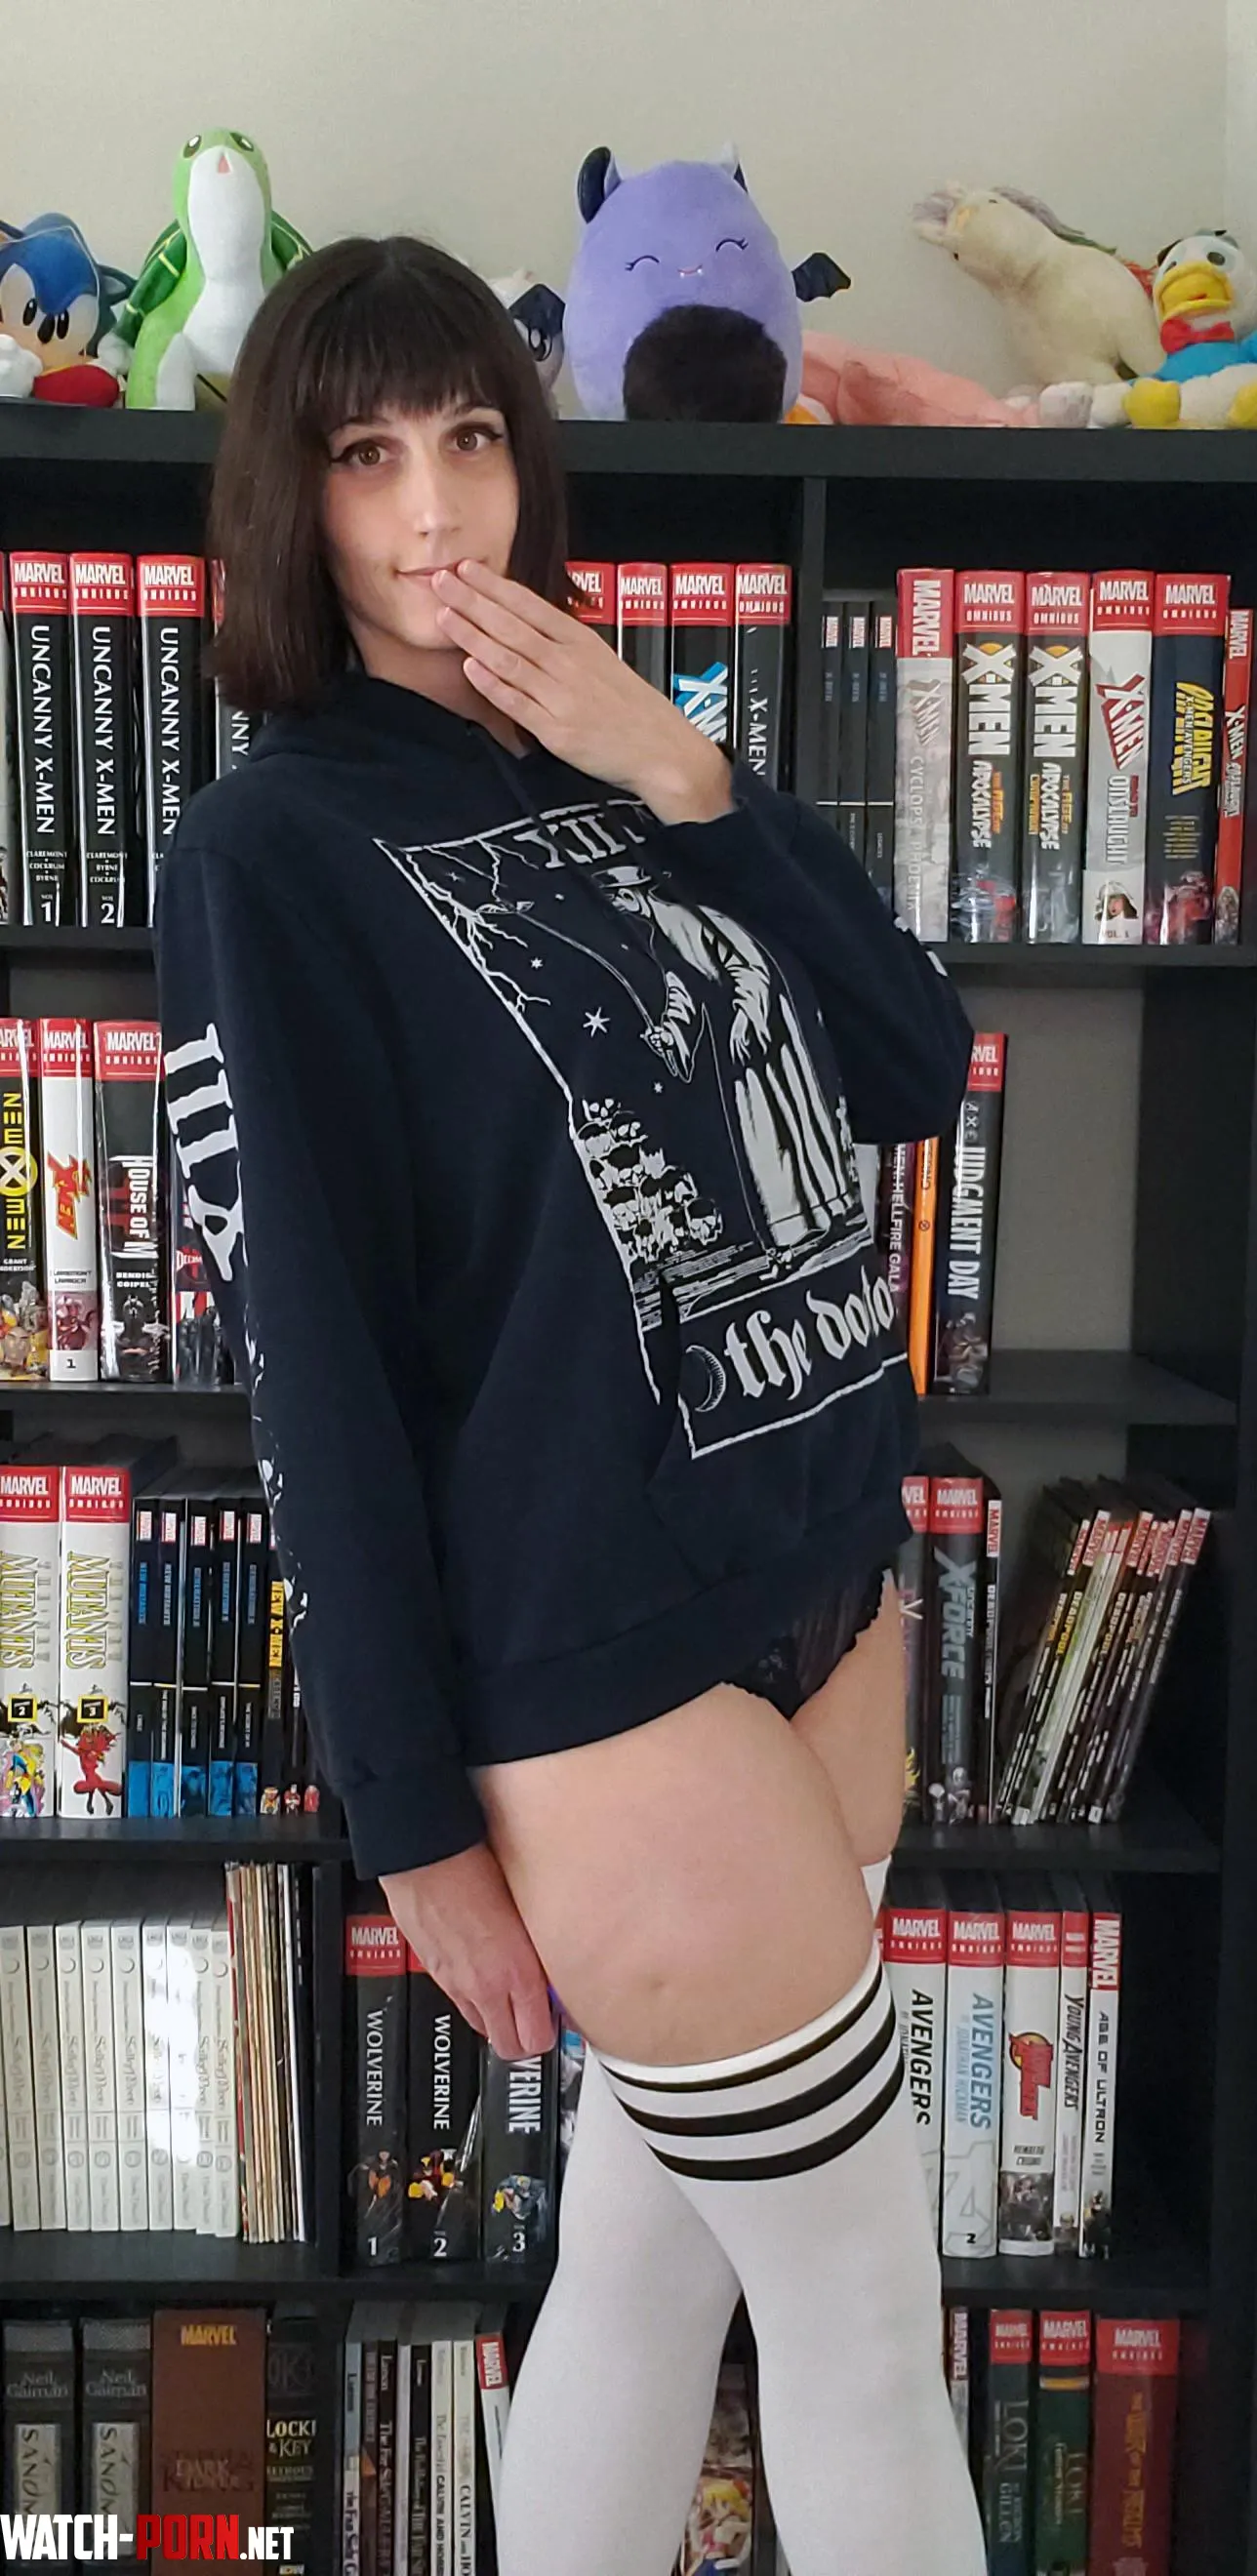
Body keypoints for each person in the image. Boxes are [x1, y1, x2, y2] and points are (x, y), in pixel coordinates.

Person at [155, 234, 986, 2576]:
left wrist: (686, 771)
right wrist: (412, 1822)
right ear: (294, 503)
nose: (436, 512)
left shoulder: (616, 755)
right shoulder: (272, 852)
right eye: (365, 456)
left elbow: (906, 1066)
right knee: (857, 2321)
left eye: (470, 438)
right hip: (601, 1666)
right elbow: (312, 1359)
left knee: (640, 2265)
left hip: (819, 1587)